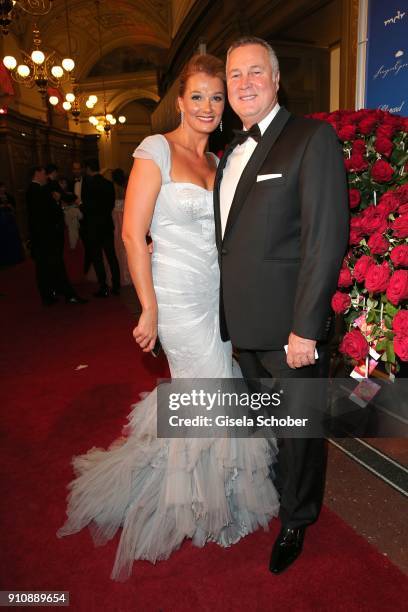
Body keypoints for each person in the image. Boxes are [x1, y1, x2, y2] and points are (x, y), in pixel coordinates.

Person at [57, 54, 279, 581]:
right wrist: (149, 307)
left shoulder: (219, 161)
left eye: (216, 97)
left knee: (219, 387)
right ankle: (193, 501)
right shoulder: (154, 149)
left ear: (225, 106)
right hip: (177, 298)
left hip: (219, 295)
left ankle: (215, 493)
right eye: (197, 96)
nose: (207, 106)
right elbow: (134, 234)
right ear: (179, 102)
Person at [214, 37, 349, 574]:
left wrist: (306, 329)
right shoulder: (229, 153)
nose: (244, 83)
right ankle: (280, 492)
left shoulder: (311, 138)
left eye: (255, 72)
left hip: (292, 333)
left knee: (299, 432)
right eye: (234, 75)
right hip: (244, 328)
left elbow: (324, 239)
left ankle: (297, 518)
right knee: (269, 427)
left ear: (275, 80)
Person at [26, 166, 86, 305]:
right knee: (54, 265)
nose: (45, 176)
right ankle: (68, 295)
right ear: (36, 173)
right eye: (43, 173)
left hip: (43, 236)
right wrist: (58, 201)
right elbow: (47, 214)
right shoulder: (36, 190)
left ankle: (50, 294)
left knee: (45, 267)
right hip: (46, 236)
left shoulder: (36, 190)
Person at [81, 159, 121, 297]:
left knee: (97, 257)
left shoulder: (87, 185)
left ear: (88, 169)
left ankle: (103, 286)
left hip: (93, 226)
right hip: (106, 224)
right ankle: (116, 286)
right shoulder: (109, 184)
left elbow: (86, 207)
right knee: (111, 256)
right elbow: (111, 205)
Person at [71, 161, 92, 274]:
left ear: (82, 169)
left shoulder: (89, 182)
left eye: (78, 168)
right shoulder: (70, 183)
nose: (76, 171)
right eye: (74, 169)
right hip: (73, 218)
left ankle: (87, 268)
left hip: (87, 217)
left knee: (88, 244)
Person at [112, 168, 131, 286]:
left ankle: (120, 273)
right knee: (125, 246)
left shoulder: (112, 188)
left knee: (117, 246)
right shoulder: (127, 186)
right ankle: (129, 273)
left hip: (115, 218)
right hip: (126, 217)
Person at [0, 181, 23, 265]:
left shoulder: (9, 196)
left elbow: (14, 208)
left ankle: (16, 257)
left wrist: (10, 207)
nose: (2, 189)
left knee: (13, 238)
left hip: (10, 220)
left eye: (3, 187)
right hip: (1, 223)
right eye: (1, 187)